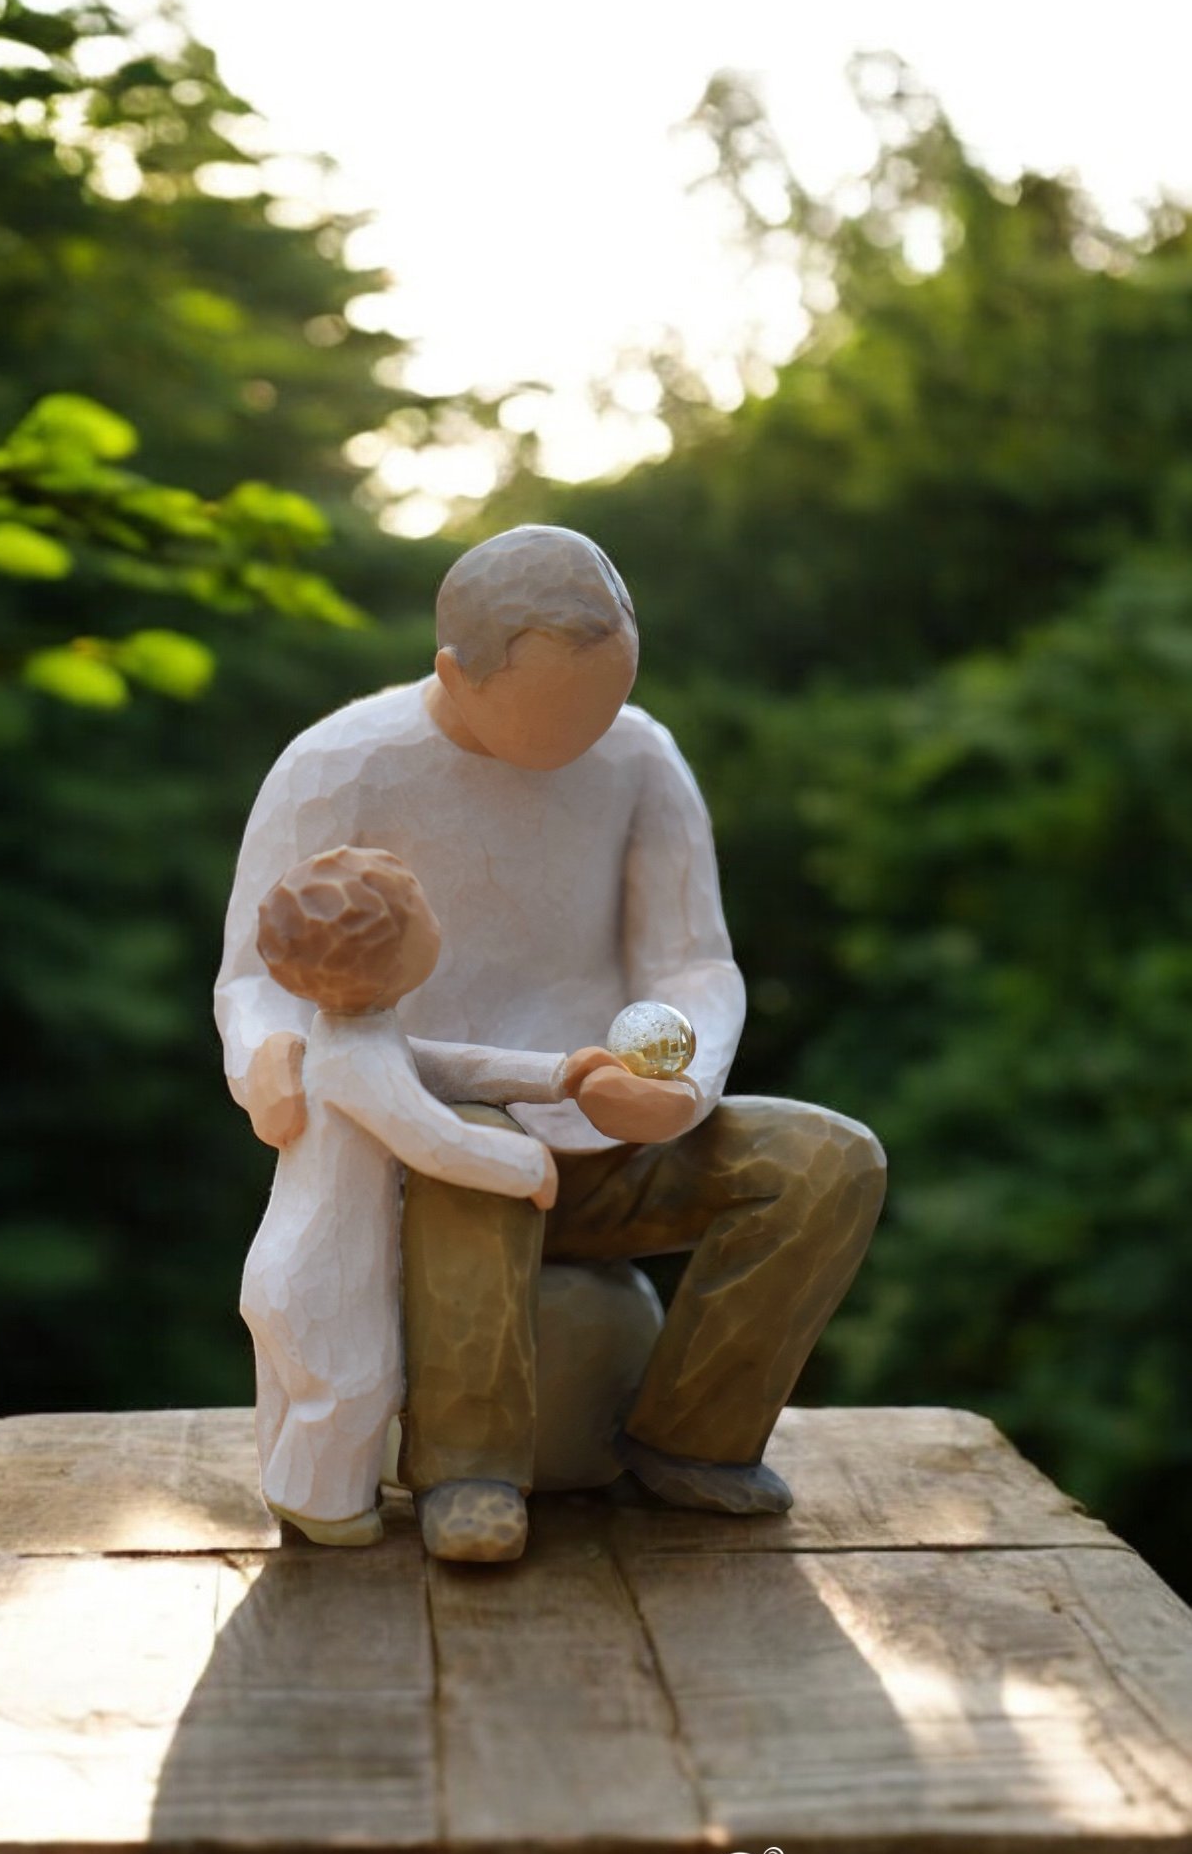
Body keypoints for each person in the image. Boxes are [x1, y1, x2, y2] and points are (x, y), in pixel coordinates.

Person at [217, 524, 886, 1564]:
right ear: (455, 674)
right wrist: (267, 1061)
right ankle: (468, 1469)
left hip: (611, 1112)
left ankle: (690, 1441)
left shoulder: (640, 756)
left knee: (826, 1163)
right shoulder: (340, 764)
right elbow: (255, 975)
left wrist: (683, 1084)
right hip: (430, 1122)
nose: (591, 728)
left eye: (608, 693)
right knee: (477, 1151)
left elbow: (693, 963)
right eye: (557, 707)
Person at [240, 844, 557, 1551]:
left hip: (286, 1264)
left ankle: (289, 1487)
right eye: (423, 916)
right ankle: (321, 1504)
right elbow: (431, 1139)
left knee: (299, 1391)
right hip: (320, 1274)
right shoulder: (357, 1057)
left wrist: (559, 1075)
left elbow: (443, 1064)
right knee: (354, 1388)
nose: (436, 923)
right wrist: (526, 1164)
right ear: (390, 956)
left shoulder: (352, 1033)